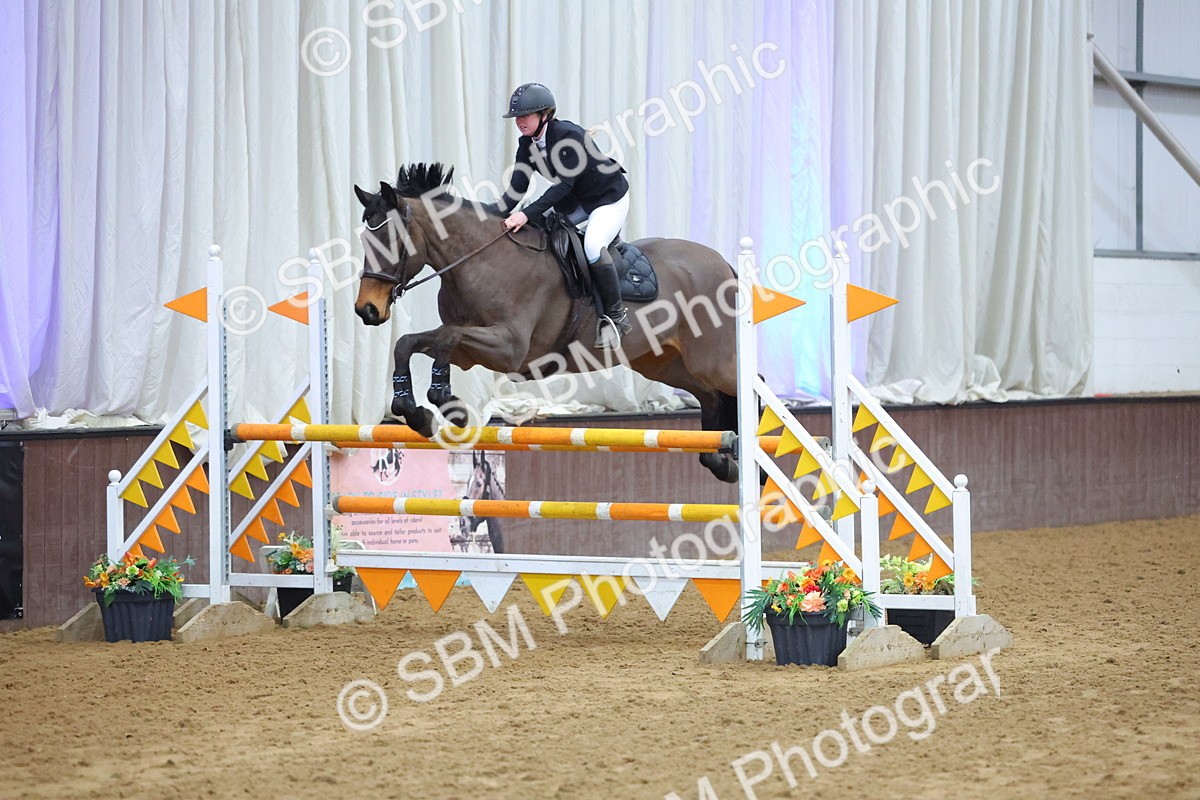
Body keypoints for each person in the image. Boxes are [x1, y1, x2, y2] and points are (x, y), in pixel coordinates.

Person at [497, 83, 632, 349]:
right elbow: (517, 188)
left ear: (544, 114)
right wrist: (490, 212)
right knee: (538, 229)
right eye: (517, 117)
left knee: (592, 245)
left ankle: (616, 317)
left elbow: (563, 186)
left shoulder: (569, 135)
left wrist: (524, 214)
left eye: (525, 115)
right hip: (577, 199)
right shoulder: (527, 144)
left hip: (608, 198)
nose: (519, 122)